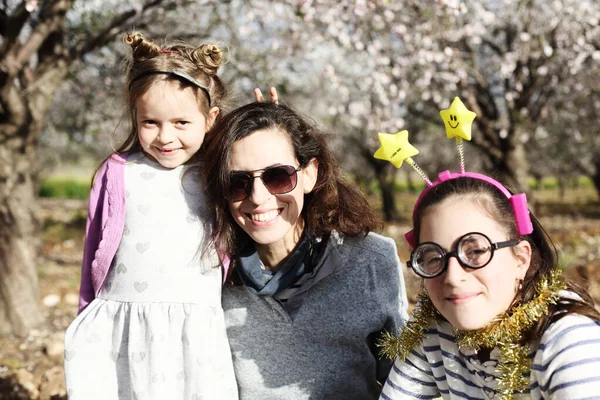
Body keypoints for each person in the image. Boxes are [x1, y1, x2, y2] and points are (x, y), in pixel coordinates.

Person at [64, 32, 237, 399]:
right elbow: (94, 251)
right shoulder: (117, 172)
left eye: (181, 123)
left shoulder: (217, 174)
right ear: (136, 117)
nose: (165, 136)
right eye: (150, 123)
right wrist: (84, 317)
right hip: (124, 329)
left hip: (196, 336)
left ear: (210, 119)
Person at [201, 101, 409, 399]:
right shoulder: (214, 275)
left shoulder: (370, 259)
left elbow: (405, 381)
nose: (258, 198)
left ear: (310, 174)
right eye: (237, 182)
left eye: (278, 176)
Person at [379, 171, 600, 399]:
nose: (453, 277)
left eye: (475, 251)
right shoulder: (434, 327)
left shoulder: (570, 343)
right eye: (434, 257)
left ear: (521, 259)